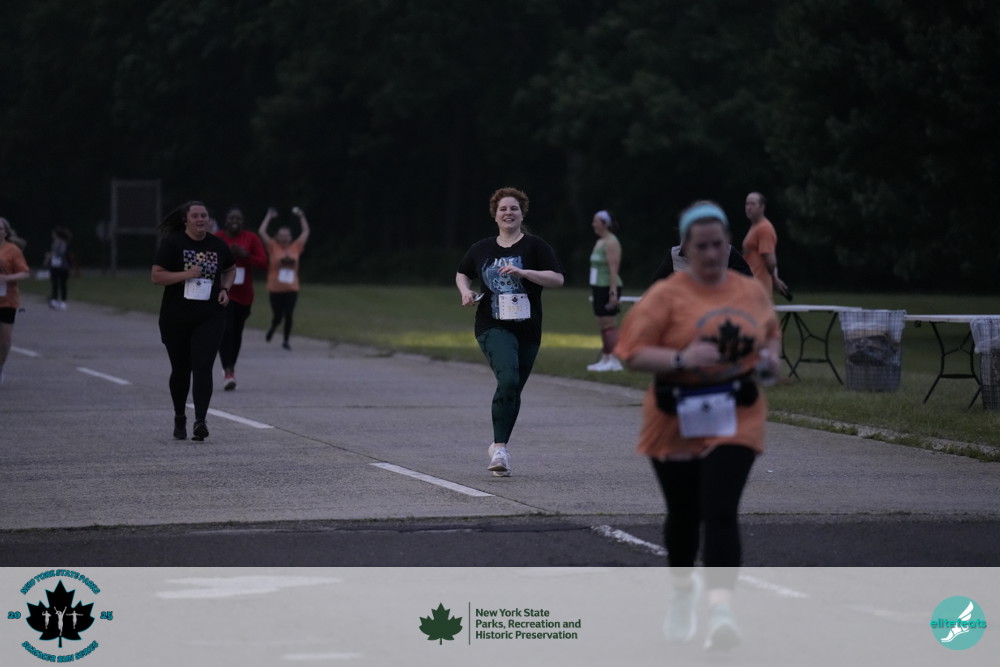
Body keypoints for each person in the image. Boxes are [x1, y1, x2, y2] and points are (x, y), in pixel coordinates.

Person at [614, 200, 781, 651]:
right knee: (685, 515)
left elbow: (770, 338)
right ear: (685, 247)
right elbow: (631, 352)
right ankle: (682, 593)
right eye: (701, 246)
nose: (710, 253)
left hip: (736, 414)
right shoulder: (666, 295)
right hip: (675, 416)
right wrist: (682, 358)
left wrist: (769, 363)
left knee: (720, 510)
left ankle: (721, 612)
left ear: (728, 244)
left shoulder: (749, 292)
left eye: (717, 244)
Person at [456, 187, 564, 477]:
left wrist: (525, 273)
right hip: (492, 324)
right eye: (503, 209)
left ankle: (496, 445)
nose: (508, 213)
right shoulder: (481, 248)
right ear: (495, 215)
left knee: (513, 388)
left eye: (514, 208)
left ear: (522, 214)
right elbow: (463, 272)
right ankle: (501, 450)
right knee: (508, 378)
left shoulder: (535, 246)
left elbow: (557, 279)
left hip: (528, 327)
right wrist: (466, 291)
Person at [151, 201, 236, 441]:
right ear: (186, 220)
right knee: (181, 370)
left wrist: (225, 289)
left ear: (209, 219)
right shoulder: (173, 243)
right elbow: (156, 276)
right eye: (195, 216)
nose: (200, 220)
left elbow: (231, 269)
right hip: (176, 317)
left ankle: (200, 421)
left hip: (210, 315)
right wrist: (186, 274)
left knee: (203, 366)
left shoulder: (217, 245)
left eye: (204, 216)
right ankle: (180, 416)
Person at [214, 207, 268, 390]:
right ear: (226, 221)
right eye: (231, 218)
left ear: (243, 222)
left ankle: (231, 367)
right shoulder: (218, 238)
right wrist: (226, 255)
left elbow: (263, 263)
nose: (235, 221)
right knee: (225, 330)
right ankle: (228, 371)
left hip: (244, 296)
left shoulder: (251, 238)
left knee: (236, 333)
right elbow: (208, 261)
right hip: (224, 292)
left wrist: (245, 255)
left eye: (238, 219)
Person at [259, 206, 310, 351]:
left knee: (289, 314)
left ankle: (286, 340)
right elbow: (262, 232)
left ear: (290, 237)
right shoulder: (273, 246)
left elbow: (306, 231)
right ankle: (273, 327)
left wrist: (301, 216)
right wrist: (269, 216)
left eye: (286, 235)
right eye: (281, 235)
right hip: (275, 288)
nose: (284, 238)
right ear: (277, 236)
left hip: (291, 288)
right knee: (278, 316)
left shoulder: (296, 247)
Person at [586, 210, 624, 372]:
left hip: (608, 286)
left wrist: (613, 292)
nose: (593, 224)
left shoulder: (611, 242)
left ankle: (614, 359)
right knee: (602, 323)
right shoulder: (600, 242)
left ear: (605, 224)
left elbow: (614, 269)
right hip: (598, 286)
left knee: (609, 323)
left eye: (596, 221)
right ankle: (606, 357)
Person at [742, 192, 791, 300]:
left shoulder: (764, 228)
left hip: (758, 290)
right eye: (747, 204)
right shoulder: (755, 226)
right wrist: (775, 278)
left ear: (762, 207)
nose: (748, 207)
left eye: (752, 204)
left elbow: (771, 261)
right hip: (750, 287)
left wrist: (774, 278)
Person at [0, 217, 31, 386]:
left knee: (4, 339)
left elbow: (25, 273)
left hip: (7, 300)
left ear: (5, 232)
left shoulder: (12, 250)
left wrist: (7, 278)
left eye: (0, 228)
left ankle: (0, 366)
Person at [46, 226, 72, 310]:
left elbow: (61, 252)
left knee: (63, 284)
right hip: (54, 265)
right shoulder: (54, 243)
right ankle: (54, 300)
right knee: (54, 283)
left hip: (63, 266)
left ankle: (63, 301)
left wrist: (52, 254)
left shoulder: (63, 243)